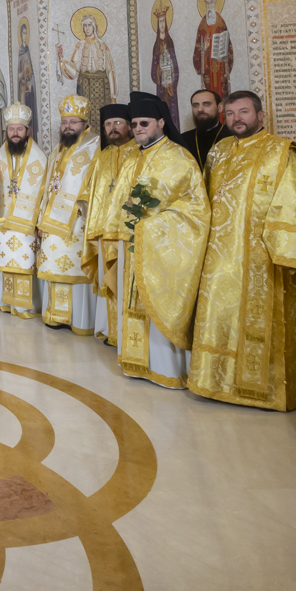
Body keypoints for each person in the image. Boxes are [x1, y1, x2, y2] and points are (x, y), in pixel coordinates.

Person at [189, 91, 296, 411]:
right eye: (231, 114)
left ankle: (264, 391)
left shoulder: (282, 152)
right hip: (218, 256)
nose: (237, 119)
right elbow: (203, 203)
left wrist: (288, 254)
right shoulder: (219, 151)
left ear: (260, 115)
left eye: (244, 112)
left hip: (262, 256)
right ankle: (214, 382)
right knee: (219, 316)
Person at [108, 96, 209, 388]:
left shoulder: (179, 158)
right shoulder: (132, 157)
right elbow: (119, 203)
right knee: (132, 300)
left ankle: (165, 368)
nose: (138, 128)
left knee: (158, 300)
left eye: (144, 123)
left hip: (162, 247)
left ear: (161, 123)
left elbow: (195, 210)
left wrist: (152, 227)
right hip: (132, 244)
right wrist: (117, 232)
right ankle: (136, 363)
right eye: (134, 124)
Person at [37, 95, 101, 333]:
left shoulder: (95, 146)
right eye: (65, 122)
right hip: (51, 222)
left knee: (75, 267)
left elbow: (97, 183)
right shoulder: (58, 149)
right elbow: (47, 186)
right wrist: (40, 220)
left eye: (73, 122)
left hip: (78, 221)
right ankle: (55, 316)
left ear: (85, 123)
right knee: (53, 267)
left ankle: (79, 320)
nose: (68, 126)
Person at [83, 102, 134, 345]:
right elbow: (92, 193)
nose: (112, 128)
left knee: (125, 281)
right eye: (108, 124)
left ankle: (125, 334)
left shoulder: (139, 154)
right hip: (104, 232)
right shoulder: (102, 157)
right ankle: (109, 330)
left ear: (129, 126)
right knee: (108, 279)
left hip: (127, 233)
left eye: (117, 123)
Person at [0, 103, 48, 317]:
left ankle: (27, 306)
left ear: (27, 131)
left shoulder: (40, 158)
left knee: (26, 262)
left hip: (27, 223)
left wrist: (41, 221)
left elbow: (45, 195)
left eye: (19, 129)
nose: (15, 133)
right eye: (11, 129)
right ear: (6, 131)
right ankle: (8, 302)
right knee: (6, 261)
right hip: (5, 221)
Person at [183, 88, 232, 168]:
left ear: (219, 107)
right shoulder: (183, 140)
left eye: (206, 104)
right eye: (195, 105)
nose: (200, 109)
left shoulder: (232, 136)